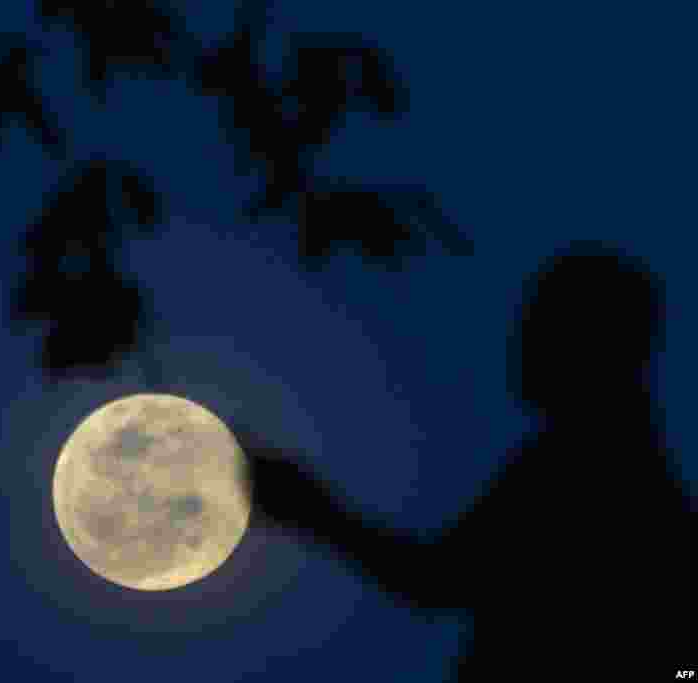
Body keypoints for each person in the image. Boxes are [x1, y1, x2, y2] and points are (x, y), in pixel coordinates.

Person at [239, 240, 694, 681]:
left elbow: (444, 579)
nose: (520, 343)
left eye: (541, 324)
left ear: (591, 341)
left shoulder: (586, 465)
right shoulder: (613, 462)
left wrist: (315, 511)